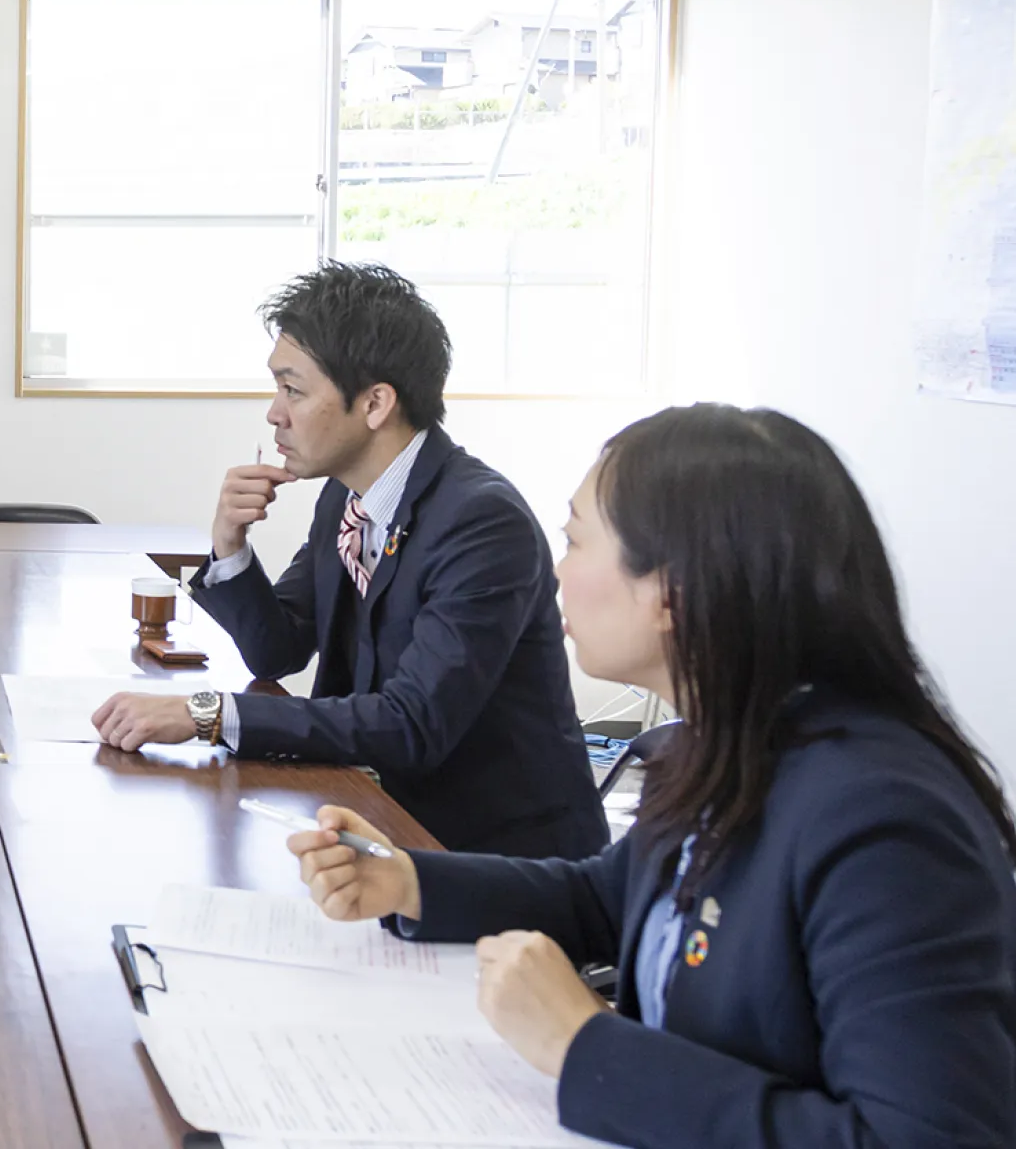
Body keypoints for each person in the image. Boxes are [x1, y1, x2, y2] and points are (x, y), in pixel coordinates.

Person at [285, 404, 1016, 1148]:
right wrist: (411, 881)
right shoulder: (727, 741)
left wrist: (584, 1048)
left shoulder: (883, 821)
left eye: (573, 540)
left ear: (672, 591)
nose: (558, 568)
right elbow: (609, 896)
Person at [93, 262, 604, 859]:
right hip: (371, 818)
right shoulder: (347, 496)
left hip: (488, 857)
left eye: (294, 389)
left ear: (375, 403)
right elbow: (278, 649)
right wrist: (230, 545)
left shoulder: (481, 523)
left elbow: (410, 725)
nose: (274, 413)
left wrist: (205, 714)